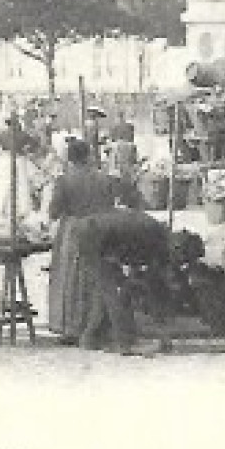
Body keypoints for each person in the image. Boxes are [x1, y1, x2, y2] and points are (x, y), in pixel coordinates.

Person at [45, 138, 121, 341]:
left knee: (71, 278)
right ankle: (94, 325)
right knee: (94, 278)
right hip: (99, 227)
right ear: (88, 156)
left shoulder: (64, 180)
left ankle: (72, 327)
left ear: (69, 159)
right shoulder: (104, 179)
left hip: (74, 230)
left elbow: (53, 212)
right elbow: (110, 206)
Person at [76, 208, 171, 354]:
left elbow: (133, 262)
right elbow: (147, 277)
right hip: (96, 238)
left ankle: (90, 338)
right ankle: (126, 342)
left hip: (95, 233)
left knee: (105, 292)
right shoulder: (156, 242)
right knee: (113, 292)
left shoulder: (153, 231)